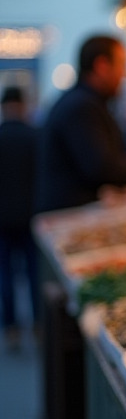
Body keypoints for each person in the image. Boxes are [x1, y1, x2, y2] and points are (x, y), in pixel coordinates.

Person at [36, 35, 126, 212]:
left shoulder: (83, 101)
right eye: (123, 65)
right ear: (102, 66)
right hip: (69, 218)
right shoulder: (82, 106)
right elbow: (100, 168)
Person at [0, 86, 39, 347]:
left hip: (2, 217)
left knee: (6, 275)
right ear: (22, 105)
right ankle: (38, 327)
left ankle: (11, 328)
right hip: (30, 214)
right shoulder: (34, 136)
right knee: (33, 273)